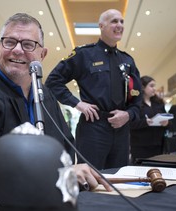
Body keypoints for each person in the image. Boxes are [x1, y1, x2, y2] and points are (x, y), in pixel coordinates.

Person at [0, 13, 111, 192]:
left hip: (47, 198)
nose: (17, 50)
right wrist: (54, 174)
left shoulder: (45, 96)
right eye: (9, 42)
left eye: (28, 44)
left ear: (43, 54)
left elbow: (65, 149)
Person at [45, 9, 142, 169]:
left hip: (122, 131)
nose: (119, 25)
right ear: (101, 26)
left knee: (120, 178)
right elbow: (53, 81)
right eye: (114, 21)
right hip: (93, 128)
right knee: (89, 179)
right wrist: (77, 104)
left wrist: (128, 114)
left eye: (122, 21)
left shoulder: (128, 61)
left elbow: (137, 99)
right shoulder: (83, 54)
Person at [130, 76, 169, 164]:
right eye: (151, 86)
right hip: (140, 146)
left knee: (157, 170)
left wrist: (166, 124)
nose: (154, 89)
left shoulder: (159, 103)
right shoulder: (135, 104)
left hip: (158, 145)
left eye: (154, 86)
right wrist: (145, 122)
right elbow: (130, 124)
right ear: (143, 87)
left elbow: (168, 121)